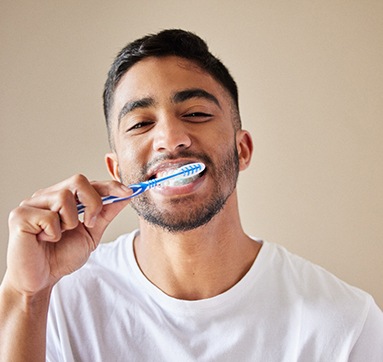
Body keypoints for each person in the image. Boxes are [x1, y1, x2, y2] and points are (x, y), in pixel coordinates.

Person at [0, 29, 382, 362]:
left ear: (242, 149)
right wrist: (25, 295)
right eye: (141, 123)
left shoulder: (346, 324)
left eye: (196, 114)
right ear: (116, 170)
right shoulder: (57, 305)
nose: (169, 139)